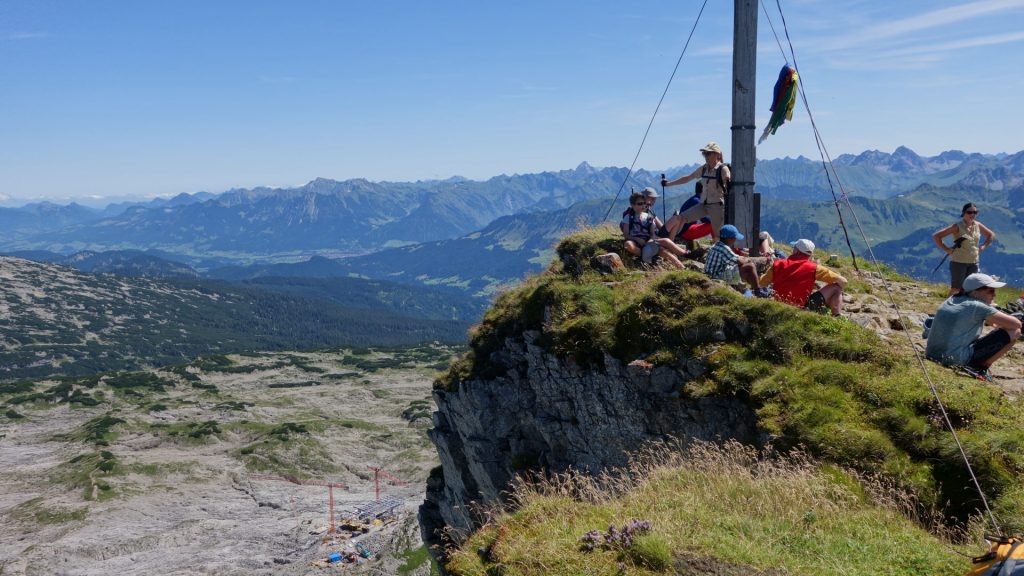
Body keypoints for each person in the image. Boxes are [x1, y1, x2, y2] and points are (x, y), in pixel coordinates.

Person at [925, 273, 1021, 379]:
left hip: (931, 354)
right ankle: (981, 367)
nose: (994, 295)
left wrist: (989, 315)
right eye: (991, 291)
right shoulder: (978, 306)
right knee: (1015, 331)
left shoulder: (952, 298)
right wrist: (994, 316)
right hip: (953, 359)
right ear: (975, 292)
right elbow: (1016, 324)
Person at [662, 142, 730, 243]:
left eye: (708, 153)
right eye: (704, 154)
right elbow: (688, 178)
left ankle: (720, 255)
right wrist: (668, 184)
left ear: (716, 154)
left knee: (718, 235)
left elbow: (729, 181)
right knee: (681, 218)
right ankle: (670, 244)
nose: (705, 156)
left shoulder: (723, 169)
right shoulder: (704, 168)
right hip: (703, 204)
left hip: (717, 206)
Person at [758, 239, 847, 315]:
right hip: (802, 308)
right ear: (810, 254)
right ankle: (836, 316)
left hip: (779, 305)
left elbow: (762, 283)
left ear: (796, 251)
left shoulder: (778, 264)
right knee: (836, 287)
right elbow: (844, 281)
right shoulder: (814, 268)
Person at [932, 203, 995, 296]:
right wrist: (946, 249)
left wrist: (983, 246)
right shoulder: (957, 226)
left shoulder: (978, 225)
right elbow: (936, 236)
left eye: (975, 212)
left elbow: (991, 235)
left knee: (971, 288)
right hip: (958, 262)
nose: (972, 214)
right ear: (963, 213)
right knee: (956, 288)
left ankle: (964, 308)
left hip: (974, 262)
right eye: (969, 212)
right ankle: (948, 307)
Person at [620, 192, 684, 269]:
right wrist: (637, 239)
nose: (643, 205)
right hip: (635, 241)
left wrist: (650, 240)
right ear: (632, 205)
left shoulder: (649, 217)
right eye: (639, 204)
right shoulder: (628, 217)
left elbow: (652, 234)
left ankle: (682, 267)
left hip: (648, 241)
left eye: (644, 203)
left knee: (663, 251)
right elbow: (626, 234)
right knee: (628, 245)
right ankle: (647, 254)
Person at [703, 224, 759, 291]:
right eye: (734, 238)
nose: (735, 240)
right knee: (750, 266)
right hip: (716, 276)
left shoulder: (716, 245)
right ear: (730, 239)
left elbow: (733, 258)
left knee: (746, 272)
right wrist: (747, 260)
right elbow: (739, 261)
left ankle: (754, 289)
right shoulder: (724, 248)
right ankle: (758, 290)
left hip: (712, 273)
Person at [638, 187, 689, 259]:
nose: (654, 201)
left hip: (657, 235)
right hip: (652, 237)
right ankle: (674, 247)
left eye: (654, 198)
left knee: (677, 218)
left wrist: (672, 223)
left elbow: (661, 226)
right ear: (644, 198)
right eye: (652, 198)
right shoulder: (640, 211)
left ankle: (671, 244)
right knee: (676, 218)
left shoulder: (650, 211)